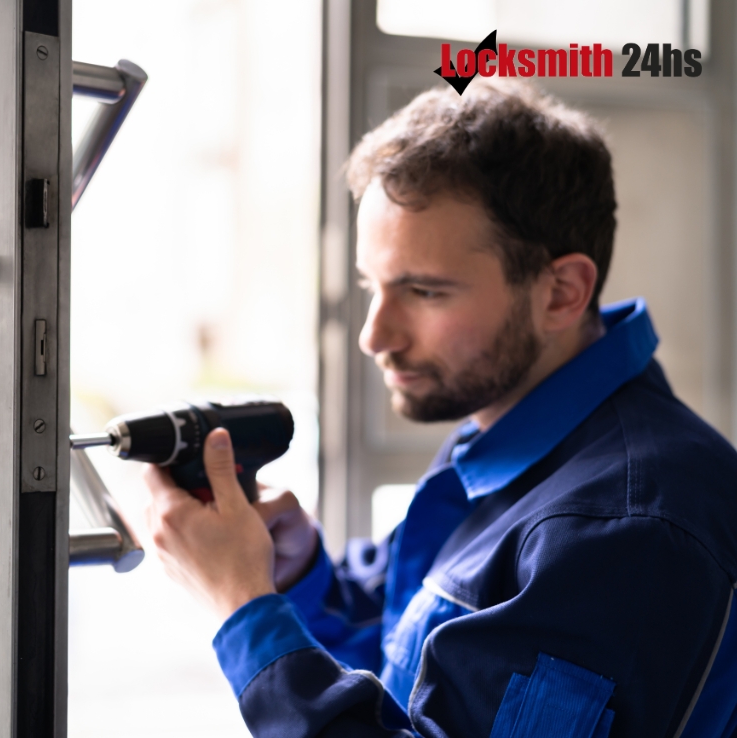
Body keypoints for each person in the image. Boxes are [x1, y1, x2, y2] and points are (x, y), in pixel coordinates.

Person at [142, 80, 737, 738]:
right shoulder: (510, 435)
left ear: (562, 292)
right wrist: (295, 572)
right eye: (374, 286)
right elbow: (417, 658)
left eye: (423, 291)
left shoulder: (624, 530)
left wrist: (242, 605)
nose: (375, 336)